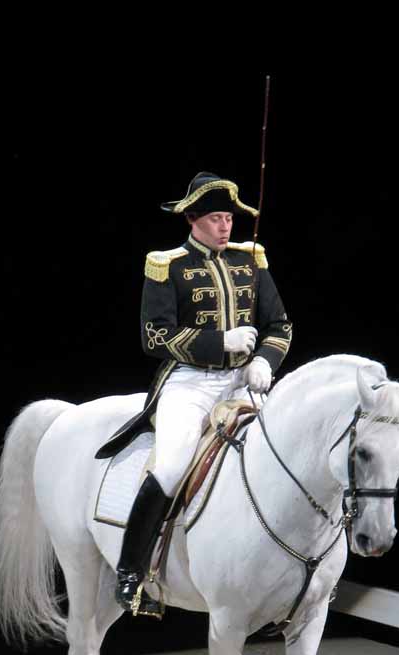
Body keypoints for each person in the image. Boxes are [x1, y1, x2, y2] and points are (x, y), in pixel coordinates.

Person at [96, 171, 293, 613]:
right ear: (193, 219)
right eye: (218, 218)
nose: (226, 226)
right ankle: (133, 571)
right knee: (168, 466)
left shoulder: (250, 260)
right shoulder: (168, 265)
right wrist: (217, 343)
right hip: (190, 382)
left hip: (244, 380)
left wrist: (264, 359)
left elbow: (279, 325)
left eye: (229, 218)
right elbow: (153, 336)